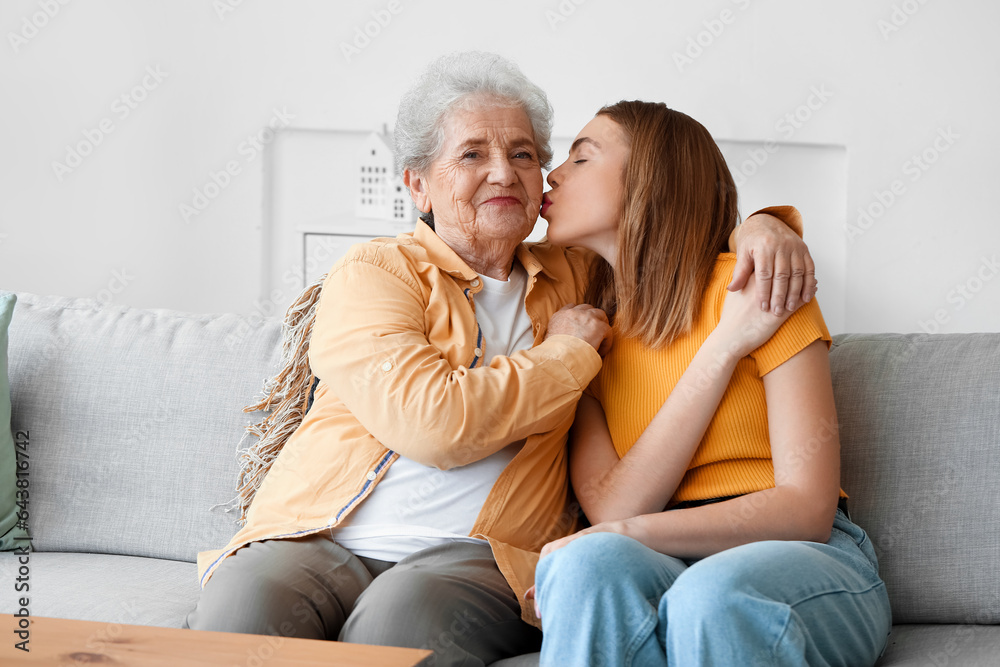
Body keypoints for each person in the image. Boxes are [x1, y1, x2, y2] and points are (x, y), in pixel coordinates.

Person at [184, 53, 816, 667]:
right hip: (320, 539)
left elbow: (665, 225)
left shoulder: (578, 273)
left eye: (523, 154)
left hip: (480, 555)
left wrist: (763, 226)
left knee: (402, 618)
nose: (505, 173)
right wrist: (567, 355)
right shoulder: (378, 273)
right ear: (417, 184)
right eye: (471, 154)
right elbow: (435, 425)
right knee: (243, 606)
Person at [529, 100, 892, 666]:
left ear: (651, 179)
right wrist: (724, 347)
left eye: (581, 158)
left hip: (797, 556)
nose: (553, 173)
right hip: (661, 553)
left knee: (711, 596)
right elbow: (616, 510)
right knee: (583, 564)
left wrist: (760, 231)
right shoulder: (589, 340)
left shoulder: (758, 285)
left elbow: (807, 509)